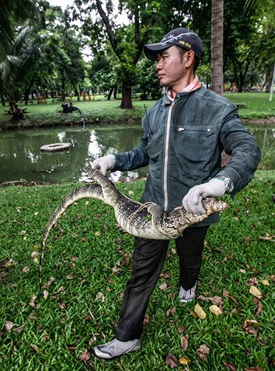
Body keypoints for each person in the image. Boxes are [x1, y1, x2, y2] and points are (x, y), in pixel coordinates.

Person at [90, 27, 261, 360]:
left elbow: (247, 150)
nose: (158, 64)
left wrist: (220, 183)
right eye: (156, 58)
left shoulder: (218, 109)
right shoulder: (154, 112)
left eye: (164, 57)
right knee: (142, 270)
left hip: (193, 211)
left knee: (190, 258)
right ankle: (126, 336)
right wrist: (115, 160)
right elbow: (144, 153)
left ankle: (188, 286)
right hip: (152, 208)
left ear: (187, 58)